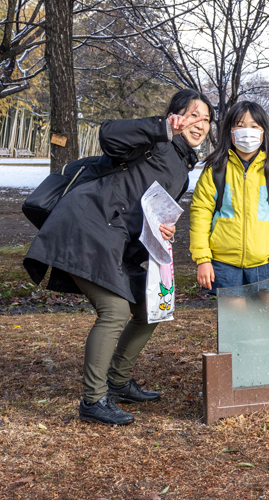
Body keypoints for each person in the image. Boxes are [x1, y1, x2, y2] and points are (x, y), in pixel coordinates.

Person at [24, 89, 212, 426]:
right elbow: (109, 135)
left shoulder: (182, 167)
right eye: (194, 114)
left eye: (207, 119)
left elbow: (145, 206)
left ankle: (118, 382)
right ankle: (93, 400)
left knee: (151, 306)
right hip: (86, 229)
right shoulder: (155, 139)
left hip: (116, 241)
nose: (201, 123)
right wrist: (161, 128)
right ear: (176, 116)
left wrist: (160, 229)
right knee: (113, 311)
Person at [188, 100, 269, 312]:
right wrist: (203, 259)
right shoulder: (215, 169)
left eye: (254, 126)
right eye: (239, 125)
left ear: (263, 131)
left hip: (267, 261)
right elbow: (200, 215)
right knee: (236, 328)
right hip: (223, 263)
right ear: (229, 131)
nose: (246, 131)